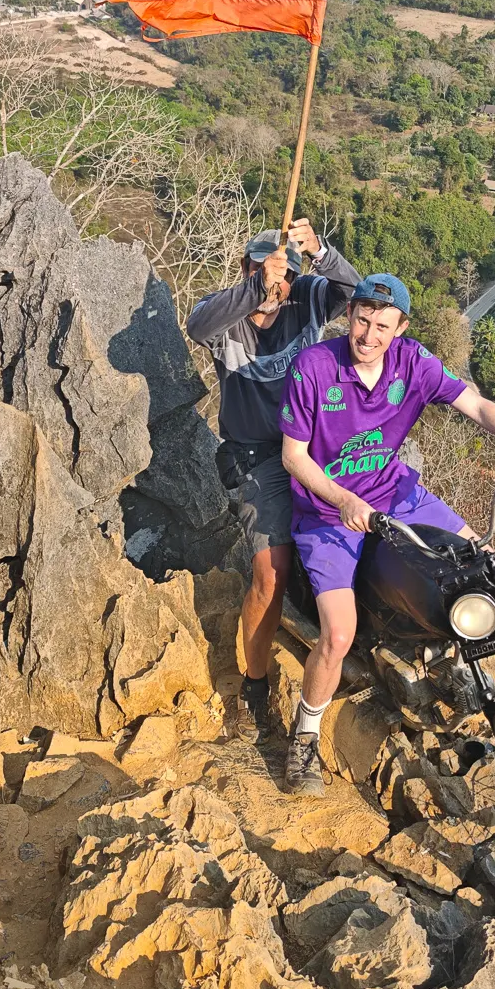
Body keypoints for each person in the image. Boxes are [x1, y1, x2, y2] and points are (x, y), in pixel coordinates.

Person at [279, 272, 495, 795]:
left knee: (484, 567)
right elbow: (293, 456)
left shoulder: (414, 362)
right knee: (338, 635)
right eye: (362, 319)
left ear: (400, 328)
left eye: (382, 325)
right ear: (349, 316)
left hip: (398, 494)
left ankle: (474, 679)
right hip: (326, 513)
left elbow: (474, 404)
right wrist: (342, 499)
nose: (368, 334)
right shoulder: (315, 367)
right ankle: (304, 734)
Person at [187, 219, 359, 741]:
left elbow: (359, 296)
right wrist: (255, 289)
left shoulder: (306, 297)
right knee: (271, 572)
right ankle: (254, 686)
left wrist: (320, 252)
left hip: (316, 447)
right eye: (261, 271)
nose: (274, 285)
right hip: (258, 457)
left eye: (281, 275)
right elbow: (196, 326)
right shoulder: (229, 317)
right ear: (245, 270)